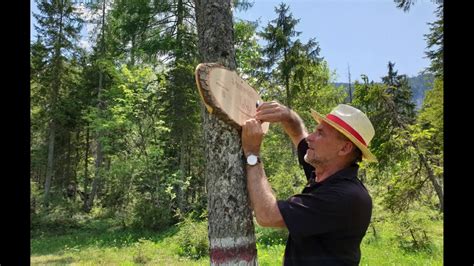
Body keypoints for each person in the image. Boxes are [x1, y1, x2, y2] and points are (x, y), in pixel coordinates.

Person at [241, 101, 377, 265]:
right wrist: (288, 116)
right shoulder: (325, 173)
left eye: (320, 133)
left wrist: (252, 154)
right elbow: (299, 134)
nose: (310, 138)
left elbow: (267, 215)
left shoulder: (345, 196)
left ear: (345, 148)